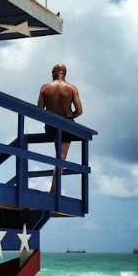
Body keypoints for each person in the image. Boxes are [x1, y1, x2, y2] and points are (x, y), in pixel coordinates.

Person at [37, 63, 83, 192]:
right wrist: (69, 117)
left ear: (54, 72)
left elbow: (39, 110)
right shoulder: (72, 88)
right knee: (61, 158)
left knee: (59, 157)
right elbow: (79, 111)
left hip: (51, 124)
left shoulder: (45, 88)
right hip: (67, 123)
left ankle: (54, 189)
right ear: (65, 73)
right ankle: (54, 190)